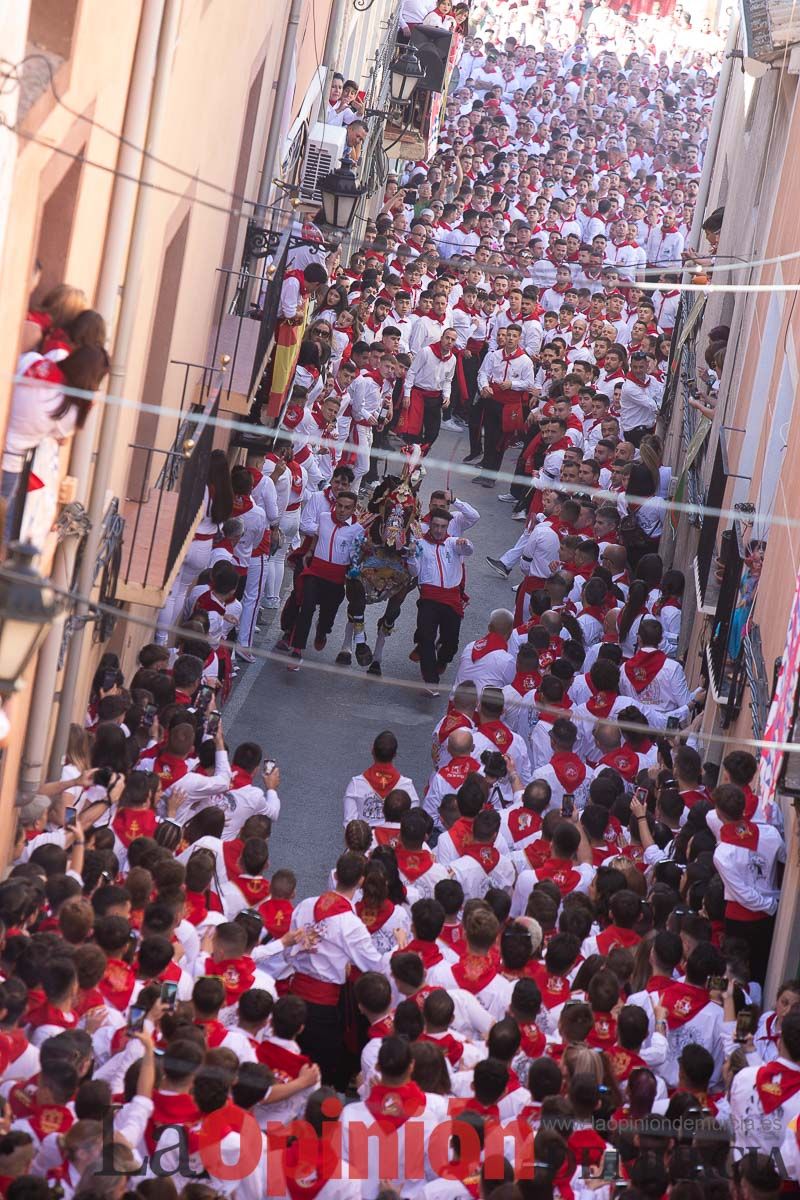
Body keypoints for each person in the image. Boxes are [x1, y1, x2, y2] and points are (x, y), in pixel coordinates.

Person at [407, 507, 474, 695]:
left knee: (451, 642)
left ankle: (443, 659)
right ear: (430, 525)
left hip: (451, 599)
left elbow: (468, 550)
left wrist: (465, 542)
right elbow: (414, 572)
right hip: (429, 598)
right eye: (435, 526)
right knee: (426, 638)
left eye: (442, 527)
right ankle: (431, 681)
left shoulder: (453, 543)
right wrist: (411, 556)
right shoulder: (420, 544)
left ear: (447, 528)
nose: (438, 530)